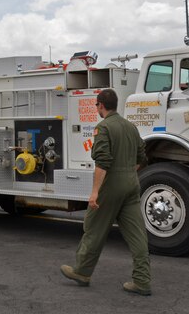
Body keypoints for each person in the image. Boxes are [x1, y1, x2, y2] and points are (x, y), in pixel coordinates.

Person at [60, 88, 151, 296]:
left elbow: (102, 163)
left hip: (112, 184)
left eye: (96, 106)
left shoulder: (103, 128)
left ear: (101, 105)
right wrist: (127, 172)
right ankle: (142, 281)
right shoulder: (131, 127)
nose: (96, 109)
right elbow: (142, 158)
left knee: (94, 228)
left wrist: (94, 193)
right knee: (137, 235)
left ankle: (82, 272)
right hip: (131, 182)